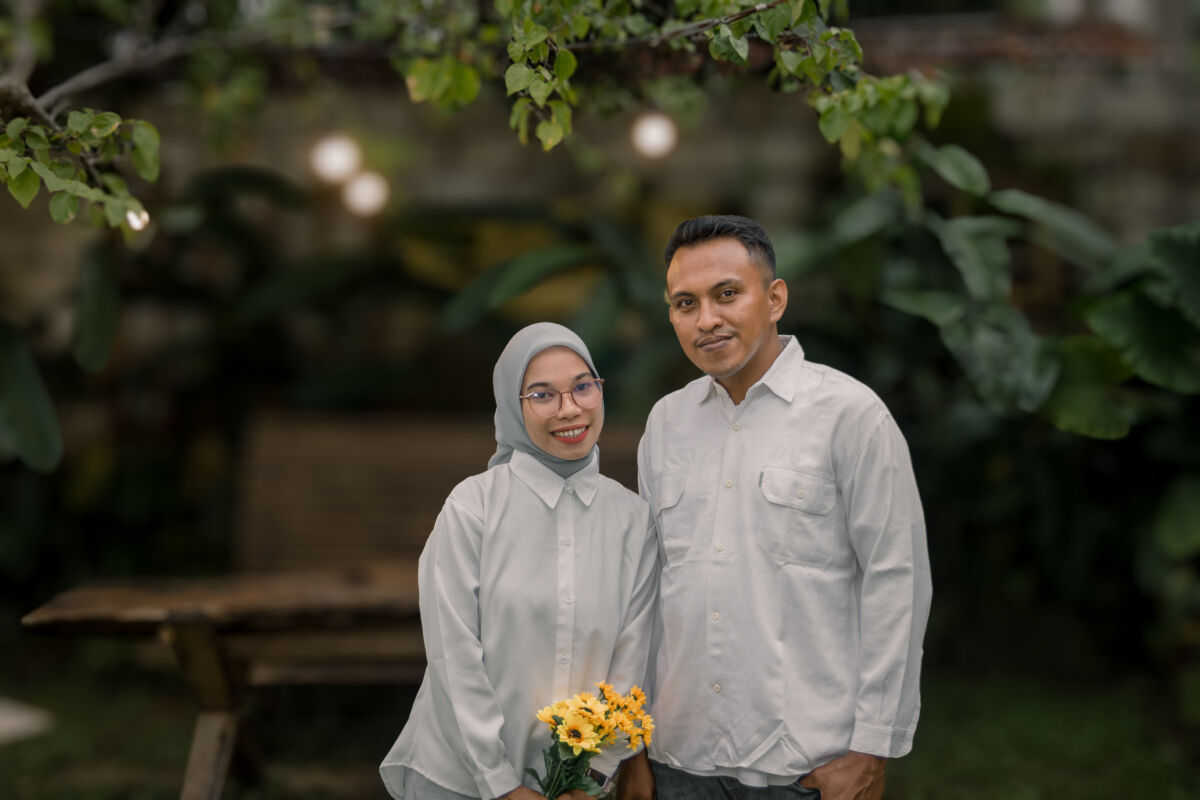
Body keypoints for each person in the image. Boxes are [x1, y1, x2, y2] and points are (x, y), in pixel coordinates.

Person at [619, 215, 932, 800]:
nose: (706, 320)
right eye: (686, 303)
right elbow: (645, 590)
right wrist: (631, 744)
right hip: (678, 762)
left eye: (727, 294)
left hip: (806, 768)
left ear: (775, 299)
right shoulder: (665, 423)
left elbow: (897, 581)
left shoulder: (851, 415)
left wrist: (872, 749)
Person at [380, 323, 660, 800]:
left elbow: (630, 662)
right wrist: (501, 783)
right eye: (542, 395)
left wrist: (590, 776)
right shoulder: (473, 509)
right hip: (462, 779)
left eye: (583, 386)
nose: (569, 408)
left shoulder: (633, 520)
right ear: (512, 406)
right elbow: (453, 657)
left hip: (574, 787)